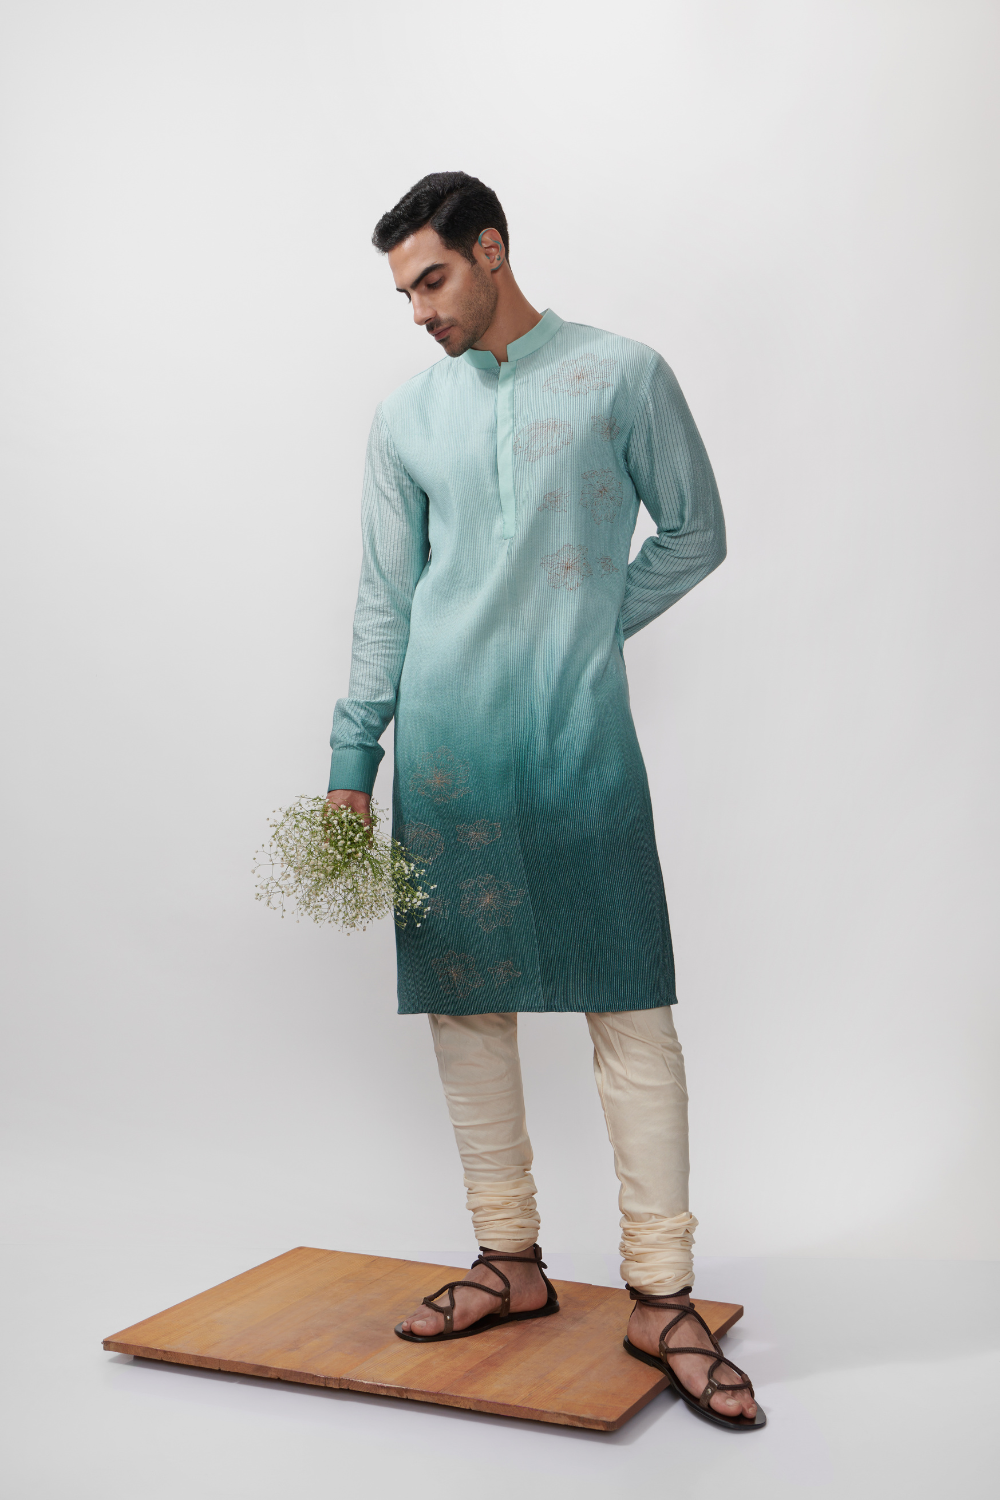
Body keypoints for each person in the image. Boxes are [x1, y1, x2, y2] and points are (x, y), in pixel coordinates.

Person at [327, 172, 762, 1429]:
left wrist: (587, 624)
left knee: (629, 1001)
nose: (419, 310)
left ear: (491, 250)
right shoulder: (405, 416)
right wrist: (353, 762)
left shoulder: (620, 374)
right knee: (467, 1008)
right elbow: (385, 598)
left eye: (432, 279)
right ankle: (507, 1261)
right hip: (447, 750)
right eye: (403, 292)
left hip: (580, 745)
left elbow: (694, 531)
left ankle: (662, 1294)